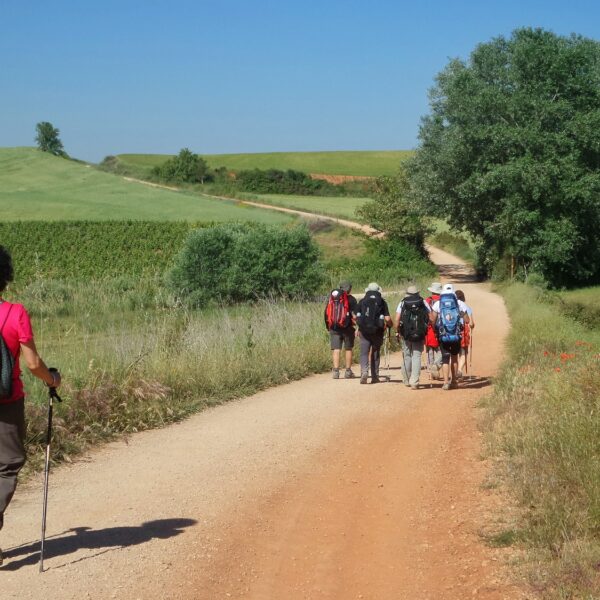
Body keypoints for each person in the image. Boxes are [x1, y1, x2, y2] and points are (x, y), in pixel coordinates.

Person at [0, 245, 61, 566]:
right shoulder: (14, 313)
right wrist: (52, 380)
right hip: (6, 402)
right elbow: (34, 363)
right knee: (7, 464)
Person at [429, 283, 470, 390]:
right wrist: (461, 315)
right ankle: (454, 382)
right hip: (456, 335)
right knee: (454, 358)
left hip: (443, 335)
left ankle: (446, 382)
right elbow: (467, 320)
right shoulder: (459, 303)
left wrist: (435, 329)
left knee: (445, 358)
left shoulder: (438, 303)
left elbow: (432, 319)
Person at [356, 283, 393, 384]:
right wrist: (390, 325)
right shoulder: (382, 302)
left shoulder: (362, 301)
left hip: (364, 330)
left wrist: (358, 328)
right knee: (375, 352)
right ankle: (375, 376)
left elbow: (356, 317)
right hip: (377, 330)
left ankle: (364, 372)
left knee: (364, 352)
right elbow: (387, 318)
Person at [395, 285, 430, 390]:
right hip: (419, 333)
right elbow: (431, 317)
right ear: (417, 293)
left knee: (407, 355)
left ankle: (406, 379)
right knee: (417, 356)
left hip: (406, 334)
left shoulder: (402, 302)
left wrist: (397, 331)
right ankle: (414, 381)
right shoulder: (423, 302)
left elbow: (397, 319)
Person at [324, 281, 358, 379]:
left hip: (334, 327)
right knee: (348, 348)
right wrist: (357, 326)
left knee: (336, 349)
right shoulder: (351, 299)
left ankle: (336, 372)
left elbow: (326, 313)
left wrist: (328, 326)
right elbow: (355, 316)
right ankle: (348, 371)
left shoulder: (332, 299)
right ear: (349, 289)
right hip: (347, 328)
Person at [424, 282, 443, 381]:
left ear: (431, 291)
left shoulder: (426, 301)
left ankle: (430, 374)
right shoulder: (443, 301)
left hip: (428, 329)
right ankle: (436, 365)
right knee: (441, 351)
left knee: (429, 352)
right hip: (440, 329)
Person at [455, 289, 475, 380]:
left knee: (454, 352)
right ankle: (459, 370)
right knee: (463, 352)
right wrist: (472, 326)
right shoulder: (466, 307)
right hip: (463, 331)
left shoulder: (452, 306)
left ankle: (456, 372)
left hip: (453, 331)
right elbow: (471, 323)